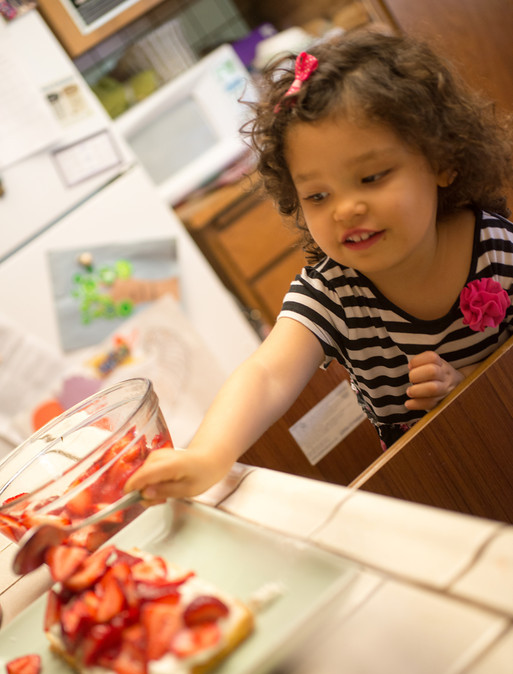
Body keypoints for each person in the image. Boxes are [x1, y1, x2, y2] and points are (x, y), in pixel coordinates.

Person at [125, 28, 513, 503]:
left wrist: (473, 391)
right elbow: (267, 374)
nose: (345, 209)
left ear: (442, 162)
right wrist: (208, 456)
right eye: (318, 195)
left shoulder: (496, 247)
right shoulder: (331, 292)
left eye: (371, 177)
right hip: (426, 485)